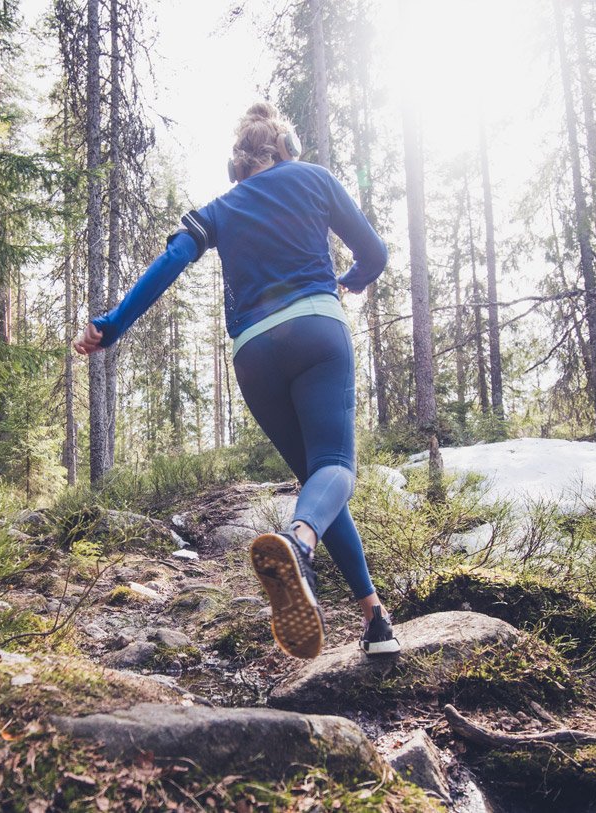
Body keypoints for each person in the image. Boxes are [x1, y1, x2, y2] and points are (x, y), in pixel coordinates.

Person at [73, 102, 400, 660]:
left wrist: (111, 325)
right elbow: (374, 253)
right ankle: (299, 547)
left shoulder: (222, 208)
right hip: (317, 331)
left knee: (316, 485)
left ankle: (375, 619)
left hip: (253, 354)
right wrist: (350, 280)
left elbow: (170, 261)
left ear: (240, 165)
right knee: (335, 469)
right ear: (285, 151)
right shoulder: (315, 178)